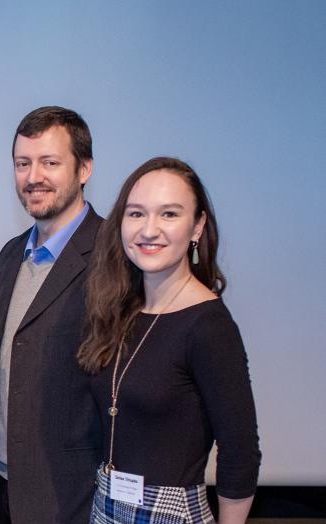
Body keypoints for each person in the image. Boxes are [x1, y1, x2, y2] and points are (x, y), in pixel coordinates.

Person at [78, 157, 259, 523]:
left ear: (197, 227)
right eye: (136, 214)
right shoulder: (122, 310)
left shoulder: (209, 325)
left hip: (170, 513)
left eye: (169, 214)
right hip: (106, 505)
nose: (149, 230)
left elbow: (240, 450)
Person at [0, 106, 104, 524]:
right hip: (1, 485)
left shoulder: (113, 256)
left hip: (69, 494)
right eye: (22, 164)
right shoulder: (11, 255)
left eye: (50, 162)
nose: (34, 177)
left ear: (84, 168)